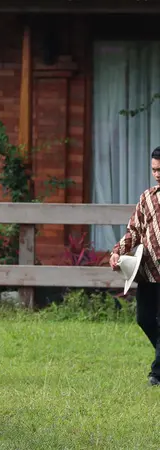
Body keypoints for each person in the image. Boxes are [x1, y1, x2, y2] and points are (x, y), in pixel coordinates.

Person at [110, 146, 160, 386]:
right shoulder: (148, 198)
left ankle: (156, 374)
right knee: (145, 319)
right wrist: (117, 252)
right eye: (154, 170)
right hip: (149, 273)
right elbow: (134, 231)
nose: (157, 174)